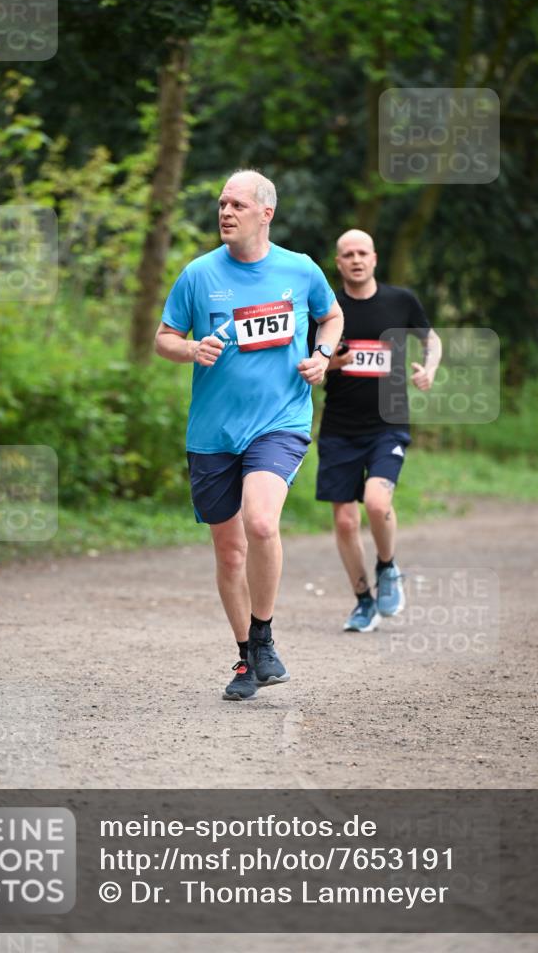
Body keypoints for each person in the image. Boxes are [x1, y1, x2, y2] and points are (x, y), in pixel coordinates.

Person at [155, 169, 343, 700]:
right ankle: (246, 658)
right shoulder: (197, 274)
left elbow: (332, 318)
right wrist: (191, 349)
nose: (225, 212)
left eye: (237, 204)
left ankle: (264, 636)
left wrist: (322, 357)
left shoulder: (300, 271)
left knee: (261, 522)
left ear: (266, 213)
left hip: (280, 420)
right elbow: (163, 338)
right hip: (213, 432)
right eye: (221, 203)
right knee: (229, 550)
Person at [316, 229, 441, 632]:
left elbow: (432, 340)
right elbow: (312, 365)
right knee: (345, 522)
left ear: (374, 258)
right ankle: (362, 602)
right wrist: (335, 362)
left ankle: (387, 567)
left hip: (388, 424)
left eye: (362, 253)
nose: (355, 259)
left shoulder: (400, 301)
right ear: (338, 263)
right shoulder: (327, 308)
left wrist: (430, 368)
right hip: (338, 428)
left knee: (375, 502)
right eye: (347, 254)